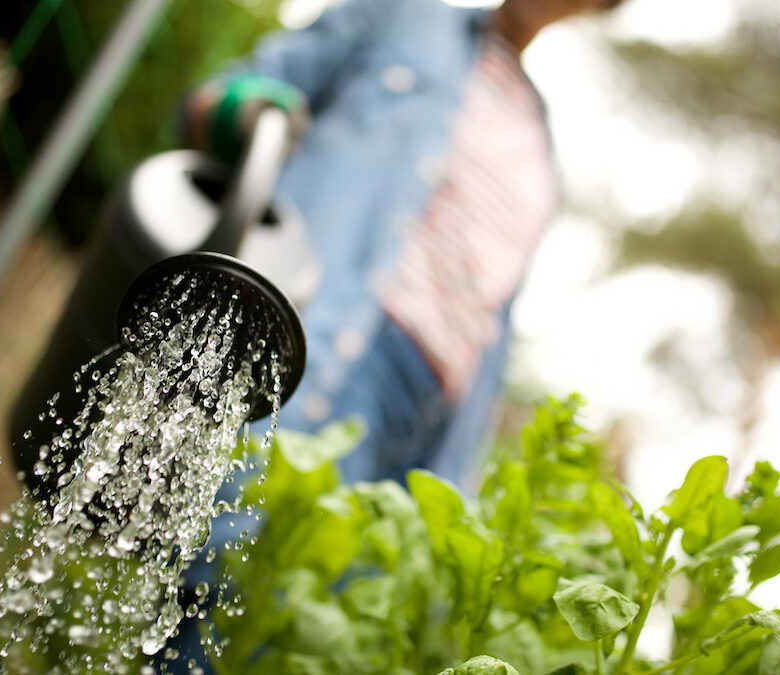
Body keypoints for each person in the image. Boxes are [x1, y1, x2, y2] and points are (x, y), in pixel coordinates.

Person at [163, 0, 629, 668]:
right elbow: (217, 101)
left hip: (420, 423)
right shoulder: (402, 17)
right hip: (316, 340)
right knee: (220, 566)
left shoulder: (542, 149)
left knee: (289, 633)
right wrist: (244, 106)